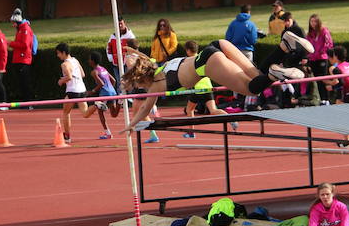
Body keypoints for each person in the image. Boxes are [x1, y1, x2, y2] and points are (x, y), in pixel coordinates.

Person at [123, 39, 271, 129]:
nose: (139, 88)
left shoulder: (156, 85)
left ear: (143, 78)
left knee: (252, 90)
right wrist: (130, 51)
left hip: (207, 63)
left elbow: (144, 109)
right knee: (258, 76)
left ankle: (275, 73)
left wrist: (130, 125)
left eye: (137, 84)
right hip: (218, 45)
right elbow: (143, 58)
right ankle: (284, 49)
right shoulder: (156, 66)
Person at [180, 40, 234, 138]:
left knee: (189, 109)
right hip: (208, 87)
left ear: (188, 50)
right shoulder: (201, 58)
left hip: (197, 89)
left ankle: (191, 133)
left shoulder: (188, 61)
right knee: (213, 110)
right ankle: (231, 119)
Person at [56, 43, 89, 143]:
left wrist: (61, 81)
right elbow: (83, 74)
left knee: (66, 113)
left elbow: (69, 77)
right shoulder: (75, 60)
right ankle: (96, 106)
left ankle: (67, 136)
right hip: (82, 89)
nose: (58, 56)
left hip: (72, 91)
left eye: (58, 53)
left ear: (64, 53)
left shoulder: (64, 64)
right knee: (85, 113)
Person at [84, 51, 120, 140]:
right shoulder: (103, 69)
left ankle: (108, 133)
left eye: (89, 59)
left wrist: (91, 91)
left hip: (105, 93)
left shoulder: (94, 72)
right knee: (114, 114)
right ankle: (119, 102)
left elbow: (101, 83)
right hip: (112, 92)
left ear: (92, 61)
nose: (88, 61)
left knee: (100, 112)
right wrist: (111, 89)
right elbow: (114, 80)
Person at [8, 8, 35, 105]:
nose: (13, 25)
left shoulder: (25, 29)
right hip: (19, 59)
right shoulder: (20, 29)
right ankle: (25, 102)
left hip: (24, 60)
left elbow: (24, 45)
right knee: (21, 83)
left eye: (14, 23)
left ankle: (29, 103)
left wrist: (10, 43)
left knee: (25, 82)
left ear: (18, 22)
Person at [106, 18, 136, 90]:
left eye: (121, 23)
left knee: (127, 82)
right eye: (118, 24)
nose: (119, 25)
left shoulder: (130, 36)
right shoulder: (113, 36)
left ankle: (128, 99)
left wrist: (129, 60)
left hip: (127, 64)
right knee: (119, 82)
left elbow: (134, 49)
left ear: (124, 23)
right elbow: (108, 48)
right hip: (116, 64)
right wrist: (111, 58)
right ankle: (120, 98)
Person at [305, 14, 333, 79]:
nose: (313, 23)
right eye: (311, 21)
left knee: (323, 79)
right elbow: (307, 45)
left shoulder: (324, 31)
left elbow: (329, 43)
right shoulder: (309, 33)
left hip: (322, 58)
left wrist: (322, 51)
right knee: (316, 79)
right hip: (312, 59)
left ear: (318, 22)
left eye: (315, 21)